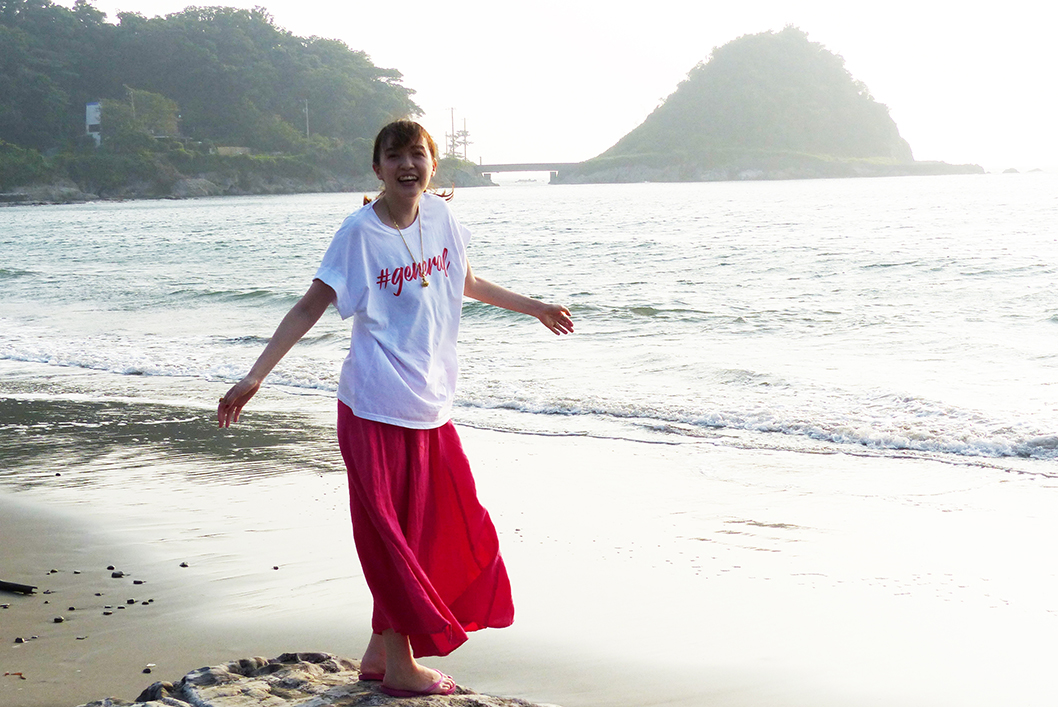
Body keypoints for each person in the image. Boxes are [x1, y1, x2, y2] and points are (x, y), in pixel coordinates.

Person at [217, 119, 573, 697]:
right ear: (377, 167)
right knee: (391, 536)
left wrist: (534, 307)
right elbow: (310, 306)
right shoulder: (359, 234)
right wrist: (255, 375)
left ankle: (380, 651)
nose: (408, 165)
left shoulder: (442, 217)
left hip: (430, 405)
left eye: (417, 154)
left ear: (432, 163)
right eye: (394, 155)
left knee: (442, 529)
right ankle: (402, 668)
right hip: (374, 406)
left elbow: (466, 281)